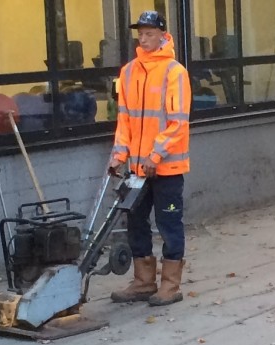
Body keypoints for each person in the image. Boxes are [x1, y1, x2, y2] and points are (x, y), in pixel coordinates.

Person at [108, 10, 192, 306]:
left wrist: (156, 156)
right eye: (140, 34)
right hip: (136, 169)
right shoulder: (129, 72)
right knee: (136, 221)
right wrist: (119, 155)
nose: (143, 39)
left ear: (161, 35)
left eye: (149, 34)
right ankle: (144, 281)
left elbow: (178, 122)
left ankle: (170, 285)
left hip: (167, 167)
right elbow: (124, 119)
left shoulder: (174, 72)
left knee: (169, 222)